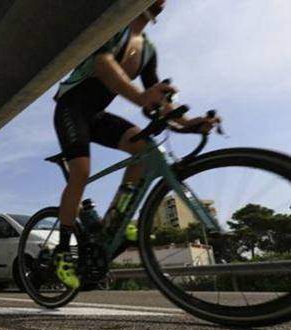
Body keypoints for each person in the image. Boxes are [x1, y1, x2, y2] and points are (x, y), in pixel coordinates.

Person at [52, 0, 219, 289]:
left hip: (96, 115)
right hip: (71, 107)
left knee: (144, 149)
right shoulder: (114, 28)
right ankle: (63, 252)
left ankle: (112, 222)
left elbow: (159, 101)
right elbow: (104, 66)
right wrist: (142, 98)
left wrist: (190, 124)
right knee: (80, 171)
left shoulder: (148, 52)